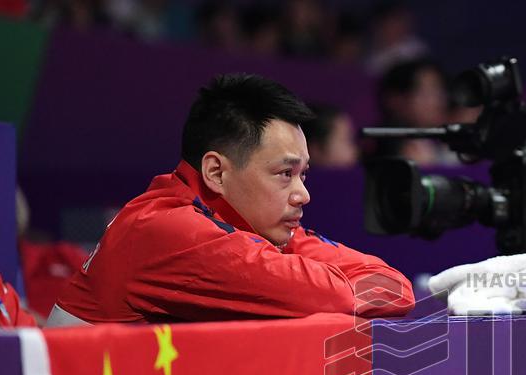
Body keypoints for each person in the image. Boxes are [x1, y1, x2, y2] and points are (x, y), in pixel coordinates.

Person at [50, 73, 414, 326]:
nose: (303, 194)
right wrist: (341, 286)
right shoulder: (169, 230)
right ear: (216, 173)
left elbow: (394, 287)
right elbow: (338, 298)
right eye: (284, 173)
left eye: (303, 174)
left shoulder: (253, 226)